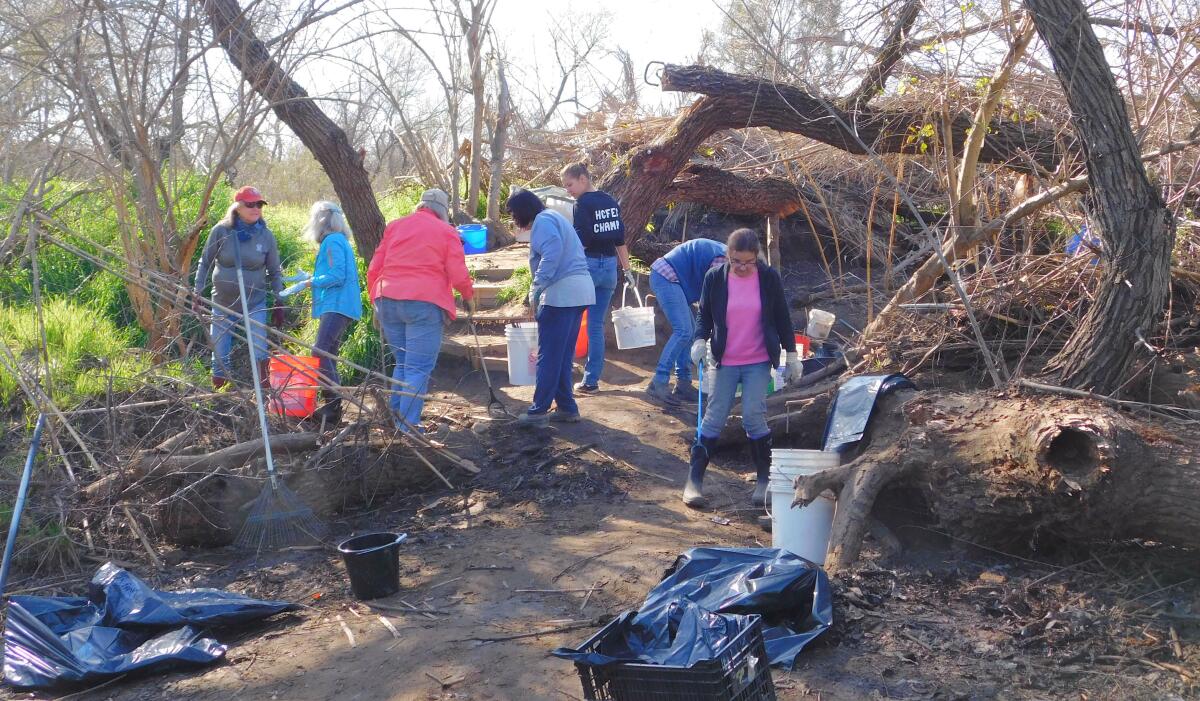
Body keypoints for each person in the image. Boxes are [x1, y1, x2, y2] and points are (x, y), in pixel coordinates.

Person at [683, 228, 803, 509]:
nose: (742, 268)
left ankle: (764, 481)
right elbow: (705, 315)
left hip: (758, 359)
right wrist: (699, 340)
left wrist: (793, 354)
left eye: (748, 262)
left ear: (757, 258)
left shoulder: (768, 278)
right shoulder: (715, 278)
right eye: (736, 261)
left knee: (753, 415)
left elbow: (782, 317)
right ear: (728, 255)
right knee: (713, 417)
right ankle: (694, 482)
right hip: (724, 359)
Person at [367, 189, 475, 434]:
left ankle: (395, 421)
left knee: (403, 363)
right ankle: (408, 428)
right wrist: (468, 296)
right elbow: (457, 271)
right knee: (417, 368)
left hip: (387, 299)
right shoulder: (446, 231)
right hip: (424, 302)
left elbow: (375, 267)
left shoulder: (395, 227)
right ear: (442, 211)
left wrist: (374, 298)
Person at [506, 189, 595, 428]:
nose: (514, 218)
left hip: (561, 296)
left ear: (523, 209)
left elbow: (552, 253)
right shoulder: (554, 218)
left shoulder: (544, 221)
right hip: (579, 293)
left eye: (514, 213)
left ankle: (538, 411)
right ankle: (567, 407)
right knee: (562, 356)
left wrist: (536, 287)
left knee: (548, 357)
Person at [192, 185, 284, 389]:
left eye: (259, 204)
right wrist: (197, 291)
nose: (256, 208)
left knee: (259, 347)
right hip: (223, 302)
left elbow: (274, 272)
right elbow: (205, 262)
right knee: (220, 350)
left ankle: (264, 391)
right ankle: (220, 395)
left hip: (255, 302)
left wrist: (279, 300)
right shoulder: (221, 231)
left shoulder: (266, 236)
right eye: (250, 204)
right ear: (238, 207)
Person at [560, 161, 635, 395]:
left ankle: (563, 372)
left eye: (570, 184)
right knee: (594, 325)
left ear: (583, 178)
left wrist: (564, 267)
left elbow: (581, 241)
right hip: (610, 268)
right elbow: (620, 240)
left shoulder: (582, 204)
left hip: (589, 267)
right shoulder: (610, 201)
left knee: (570, 319)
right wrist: (628, 271)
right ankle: (591, 380)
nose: (568, 190)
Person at [297, 200, 362, 423]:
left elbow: (337, 275)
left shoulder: (333, 241)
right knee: (329, 354)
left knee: (320, 352)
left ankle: (333, 404)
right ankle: (333, 407)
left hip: (338, 305)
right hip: (338, 304)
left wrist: (310, 282)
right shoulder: (337, 240)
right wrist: (309, 278)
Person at [645, 238, 728, 403]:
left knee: (689, 333)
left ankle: (683, 384)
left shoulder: (735, 260)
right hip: (666, 276)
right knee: (684, 331)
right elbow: (713, 299)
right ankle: (658, 382)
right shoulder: (725, 261)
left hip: (676, 280)